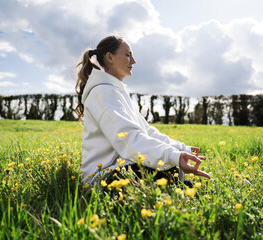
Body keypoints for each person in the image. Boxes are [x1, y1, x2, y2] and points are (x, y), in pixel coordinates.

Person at [75, 35, 210, 185]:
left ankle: (181, 187)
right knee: (166, 173)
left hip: (121, 167)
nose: (133, 61)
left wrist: (182, 149)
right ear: (110, 57)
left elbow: (147, 132)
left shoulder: (116, 92)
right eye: (128, 55)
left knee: (171, 170)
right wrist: (173, 156)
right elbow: (129, 138)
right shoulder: (102, 93)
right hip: (103, 176)